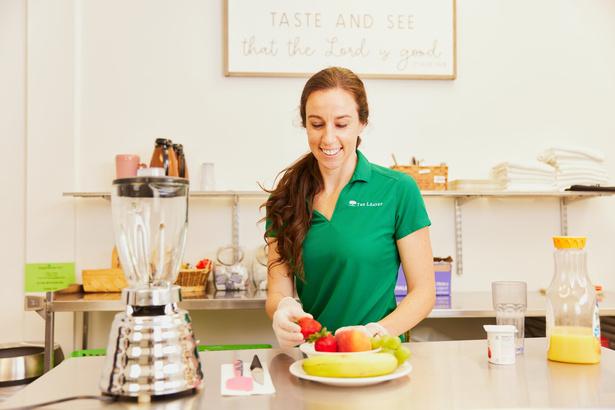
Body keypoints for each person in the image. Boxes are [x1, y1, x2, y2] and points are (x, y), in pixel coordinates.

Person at [263, 67, 435, 348]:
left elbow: (424, 292)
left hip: (379, 355)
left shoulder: (397, 190)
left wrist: (376, 332)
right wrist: (282, 309)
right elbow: (278, 292)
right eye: (317, 124)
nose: (328, 138)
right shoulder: (285, 198)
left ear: (362, 122)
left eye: (341, 124)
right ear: (305, 124)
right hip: (315, 355)